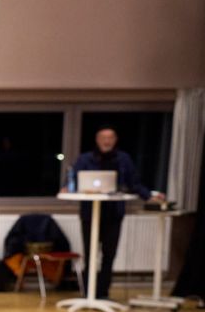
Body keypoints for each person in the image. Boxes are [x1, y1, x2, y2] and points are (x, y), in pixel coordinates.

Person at [65, 126, 164, 299]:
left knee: (109, 255)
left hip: (113, 213)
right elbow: (73, 179)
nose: (106, 141)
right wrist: (68, 188)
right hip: (90, 214)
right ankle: (88, 293)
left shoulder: (123, 159)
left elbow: (134, 182)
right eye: (103, 137)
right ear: (97, 139)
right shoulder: (85, 159)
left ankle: (103, 293)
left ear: (115, 140)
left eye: (110, 137)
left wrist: (149, 196)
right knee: (90, 254)